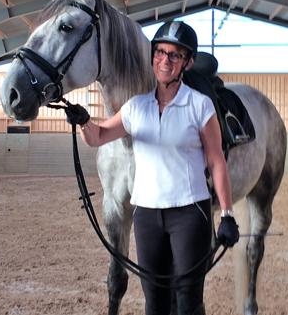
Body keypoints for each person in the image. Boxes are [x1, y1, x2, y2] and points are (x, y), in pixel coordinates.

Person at [64, 21, 240, 315]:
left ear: (188, 62)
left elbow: (215, 160)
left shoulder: (200, 106)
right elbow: (98, 137)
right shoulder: (136, 107)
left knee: (188, 302)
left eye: (174, 55)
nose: (165, 60)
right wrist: (83, 121)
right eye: (160, 52)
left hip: (189, 213)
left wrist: (227, 214)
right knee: (154, 302)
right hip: (146, 216)